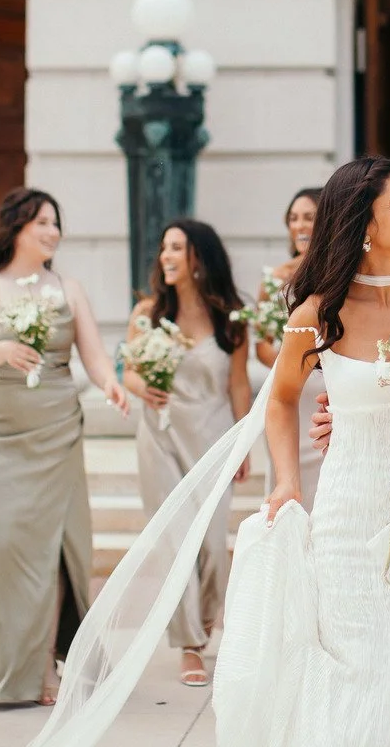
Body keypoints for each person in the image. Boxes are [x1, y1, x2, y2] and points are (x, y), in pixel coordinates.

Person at [24, 156, 390, 747]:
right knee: (357, 668)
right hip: (349, 512)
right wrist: (285, 481)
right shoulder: (317, 314)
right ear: (362, 223)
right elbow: (281, 399)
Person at [0, 188, 128, 705]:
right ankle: (6, 668)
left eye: (56, 223)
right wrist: (3, 349)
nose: (53, 232)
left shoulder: (68, 288)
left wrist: (111, 385)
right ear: (16, 227)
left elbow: (94, 357)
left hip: (56, 428)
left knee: (54, 549)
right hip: (0, 429)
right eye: (43, 223)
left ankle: (47, 669)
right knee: (2, 545)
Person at [121, 219, 252, 687]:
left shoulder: (232, 317)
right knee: (177, 544)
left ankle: (207, 619)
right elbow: (128, 373)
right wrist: (144, 388)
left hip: (213, 438)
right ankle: (189, 644)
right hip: (159, 437)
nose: (166, 256)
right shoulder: (147, 313)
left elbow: (238, 384)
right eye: (164, 248)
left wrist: (243, 443)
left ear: (200, 257)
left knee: (213, 546)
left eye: (177, 247)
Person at [257, 188, 326, 510]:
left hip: (326, 390)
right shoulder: (273, 280)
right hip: (291, 391)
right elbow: (261, 346)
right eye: (293, 218)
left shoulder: (335, 277)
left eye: (308, 218)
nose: (300, 226)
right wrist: (296, 359)